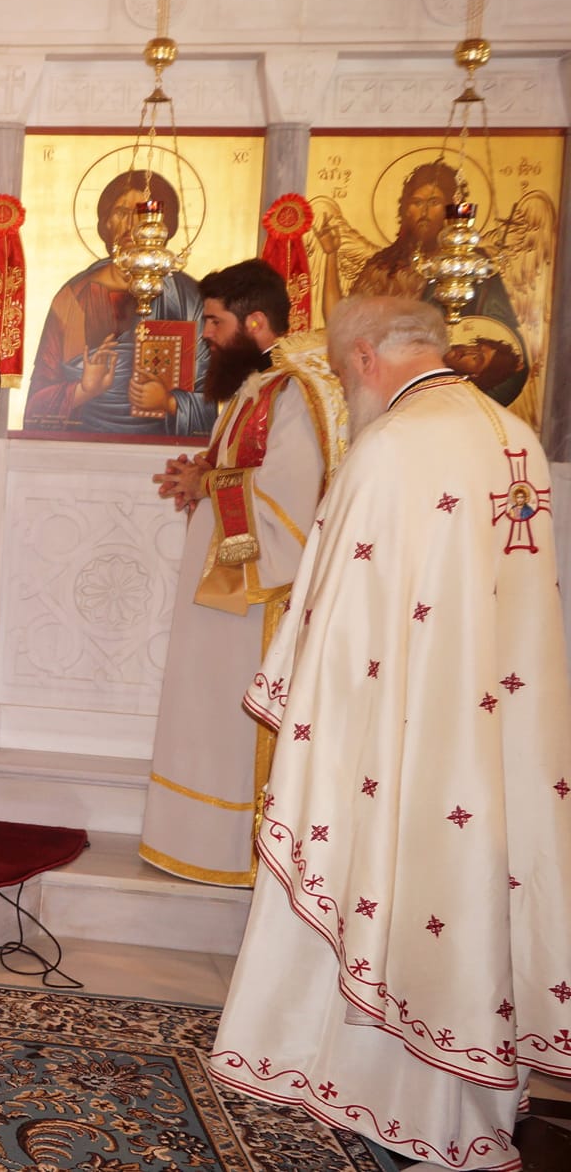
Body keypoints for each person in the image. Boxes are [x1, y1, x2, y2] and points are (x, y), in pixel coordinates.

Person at [210, 297, 571, 1171]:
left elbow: (338, 608)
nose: (348, 391)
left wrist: (304, 700)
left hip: (411, 726)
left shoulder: (392, 446)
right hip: (498, 725)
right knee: (476, 887)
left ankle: (399, 1095)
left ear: (366, 358)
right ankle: (479, 1092)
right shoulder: (514, 434)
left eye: (344, 376)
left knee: (398, 883)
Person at [139, 260, 348, 886]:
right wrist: (200, 476)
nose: (205, 334)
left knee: (232, 723)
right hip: (228, 583)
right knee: (204, 711)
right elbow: (242, 473)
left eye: (214, 322)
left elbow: (290, 498)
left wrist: (210, 483)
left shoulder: (295, 390)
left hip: (259, 599)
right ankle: (201, 844)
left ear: (255, 321)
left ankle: (242, 854)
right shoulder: (257, 387)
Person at [320, 159, 528, 408]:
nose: (425, 212)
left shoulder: (471, 267)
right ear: (405, 209)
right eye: (417, 202)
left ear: (450, 211)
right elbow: (340, 324)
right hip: (379, 388)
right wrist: (330, 255)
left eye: (434, 202)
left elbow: (507, 352)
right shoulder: (382, 265)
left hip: (432, 397)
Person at [23, 173, 215, 437]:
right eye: (121, 212)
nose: (132, 225)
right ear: (105, 222)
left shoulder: (189, 299)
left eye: (145, 214)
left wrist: (169, 402)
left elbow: (214, 406)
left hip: (166, 453)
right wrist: (84, 390)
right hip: (82, 447)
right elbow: (37, 406)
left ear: (164, 226)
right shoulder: (73, 298)